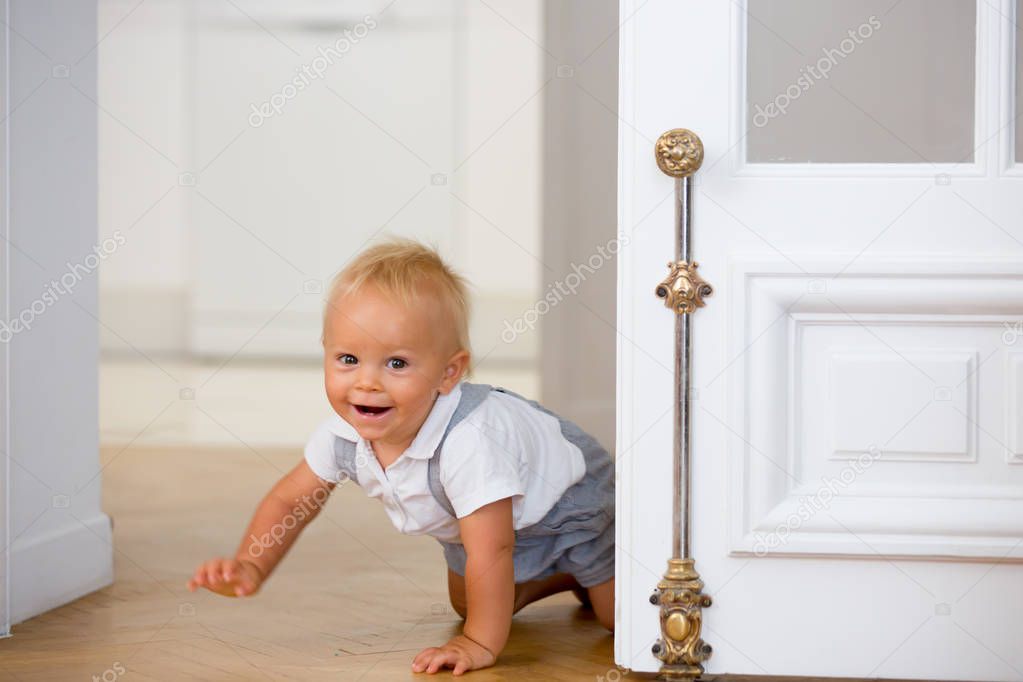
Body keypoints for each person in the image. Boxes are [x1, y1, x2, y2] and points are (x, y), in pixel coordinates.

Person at [187, 238, 615, 675]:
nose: (367, 383)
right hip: (488, 525)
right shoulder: (342, 437)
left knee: (616, 619)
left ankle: (589, 565)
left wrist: (480, 644)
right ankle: (560, 576)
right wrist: (250, 565)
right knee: (469, 603)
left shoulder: (468, 442)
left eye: (396, 364)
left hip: (566, 504)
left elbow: (495, 546)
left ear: (449, 373)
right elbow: (292, 501)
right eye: (348, 359)